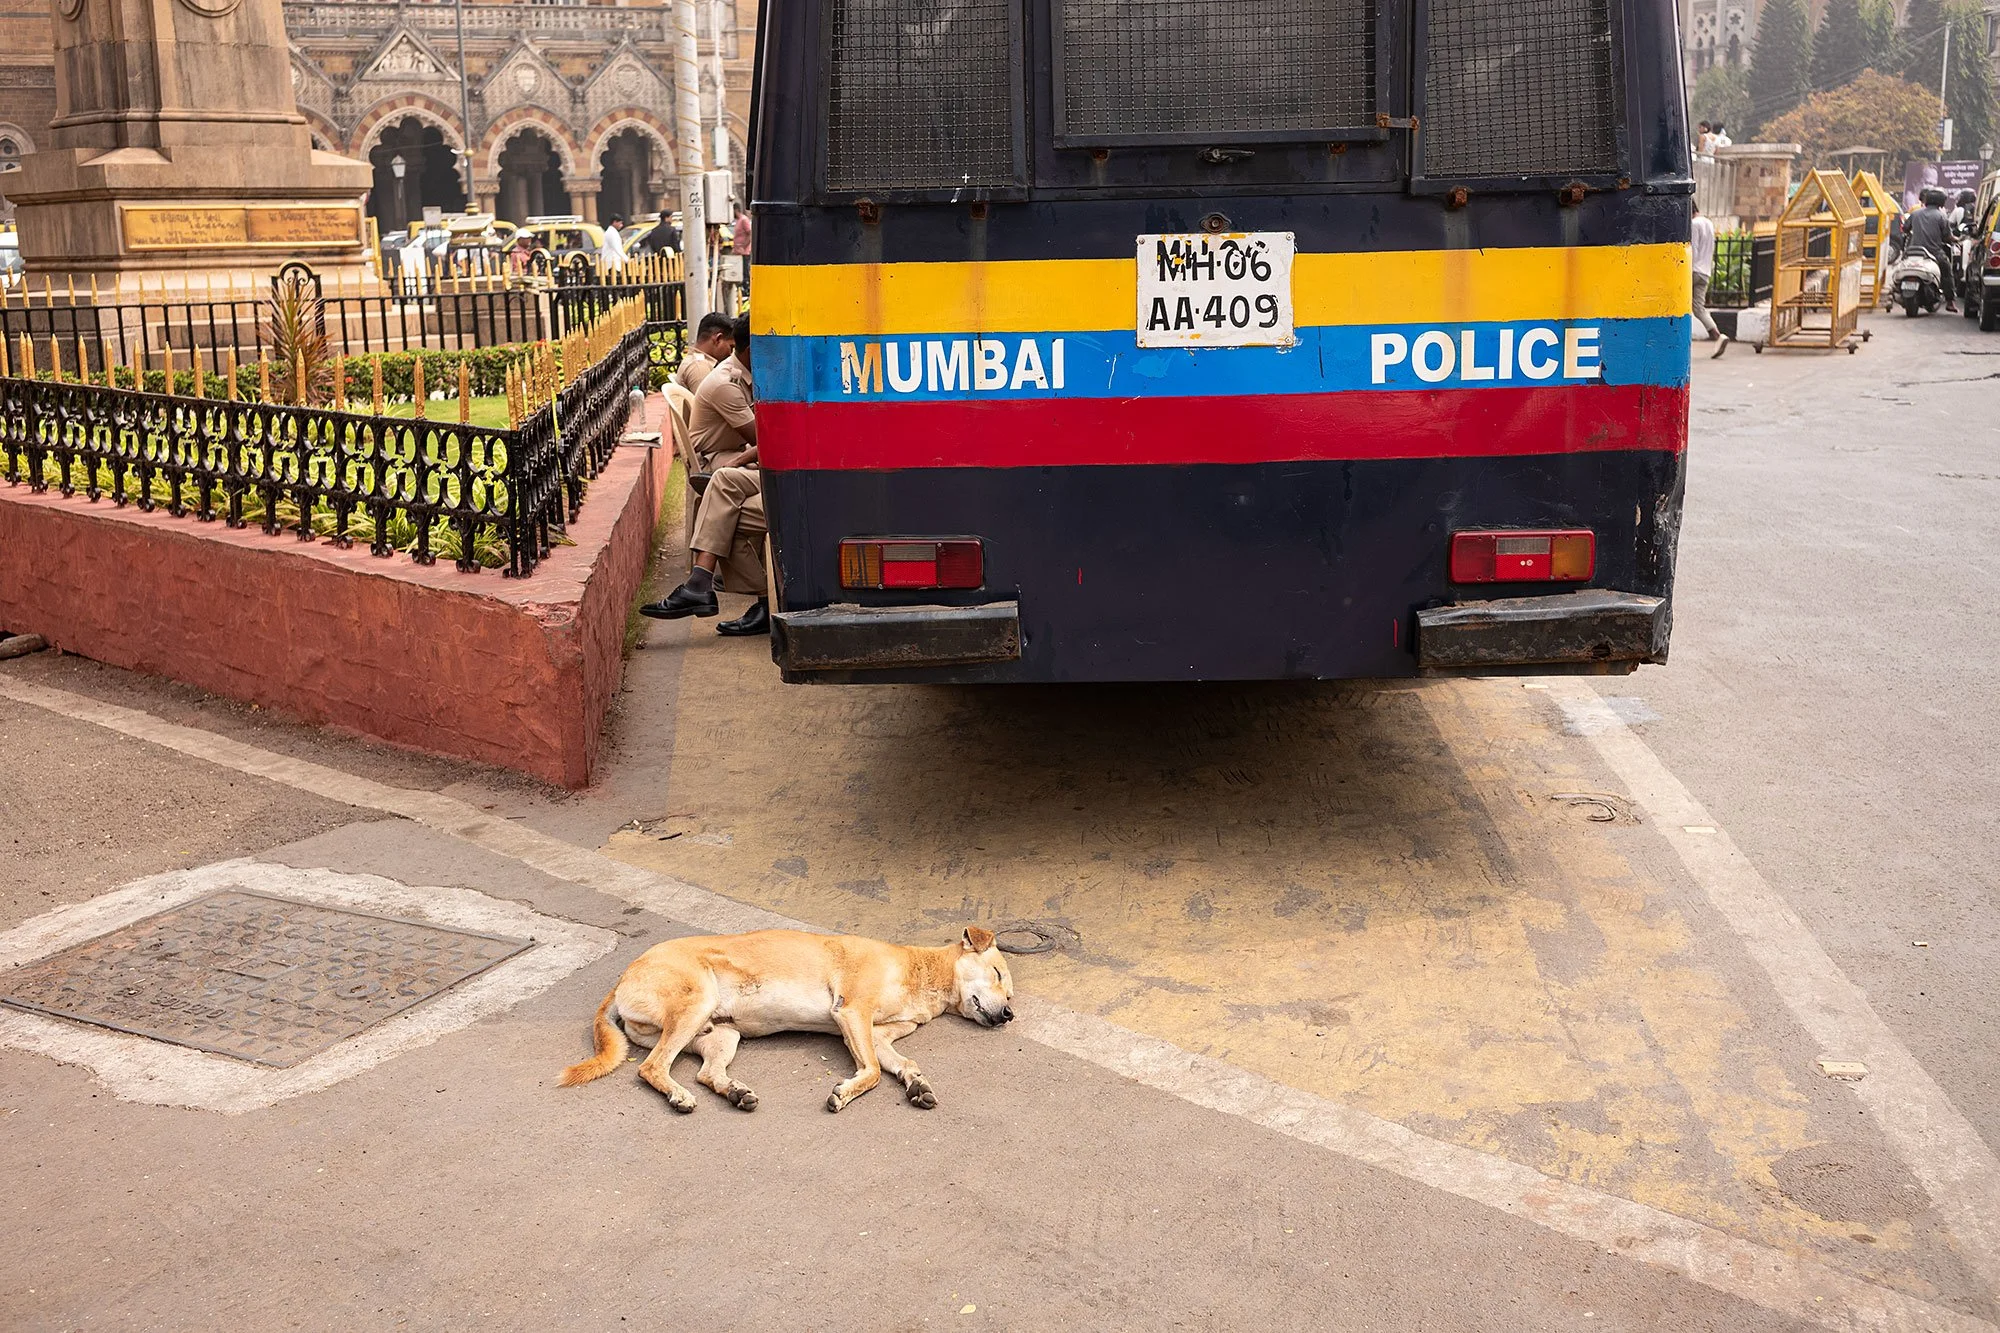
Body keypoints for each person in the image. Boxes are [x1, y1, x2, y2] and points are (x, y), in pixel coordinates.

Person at [639, 464, 768, 636]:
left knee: (723, 516)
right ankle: (700, 584)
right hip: (778, 472)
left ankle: (699, 585)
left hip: (805, 482)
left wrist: (740, 459)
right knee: (723, 480)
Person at [686, 314, 756, 472]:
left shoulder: (744, 373)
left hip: (733, 451)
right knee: (774, 478)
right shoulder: (726, 384)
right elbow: (765, 444)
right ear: (752, 352)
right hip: (712, 458)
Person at [1902, 187, 1958, 311]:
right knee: (1947, 271)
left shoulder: (1915, 213)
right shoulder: (1941, 216)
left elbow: (1905, 229)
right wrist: (1957, 239)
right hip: (1934, 253)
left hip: (1913, 252)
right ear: (1941, 202)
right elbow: (1947, 236)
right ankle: (1950, 302)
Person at [1690, 203, 1728, 357]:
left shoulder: (1694, 224)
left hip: (1693, 270)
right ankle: (1718, 336)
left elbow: (1693, 249)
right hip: (1705, 272)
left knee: (1677, 304)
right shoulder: (1709, 223)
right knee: (1699, 308)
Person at [675, 312, 735, 393]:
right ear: (718, 339)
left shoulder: (696, 361)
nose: (730, 353)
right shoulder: (699, 368)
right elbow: (710, 404)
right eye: (731, 347)